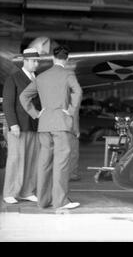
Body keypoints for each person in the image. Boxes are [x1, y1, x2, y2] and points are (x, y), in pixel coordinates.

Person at [20, 45, 82, 210]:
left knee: (44, 162)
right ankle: (60, 201)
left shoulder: (41, 77)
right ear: (66, 59)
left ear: (53, 58)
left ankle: (43, 201)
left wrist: (36, 113)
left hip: (45, 124)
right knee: (61, 162)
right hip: (61, 124)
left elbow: (24, 96)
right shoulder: (68, 73)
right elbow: (78, 91)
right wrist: (70, 110)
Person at [2, 48, 40, 204]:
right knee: (15, 159)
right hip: (19, 126)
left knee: (32, 160)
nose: (37, 64)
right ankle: (10, 192)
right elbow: (8, 104)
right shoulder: (13, 78)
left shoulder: (37, 79)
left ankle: (27, 191)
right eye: (34, 61)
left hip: (35, 125)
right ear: (25, 61)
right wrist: (13, 124)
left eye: (38, 61)